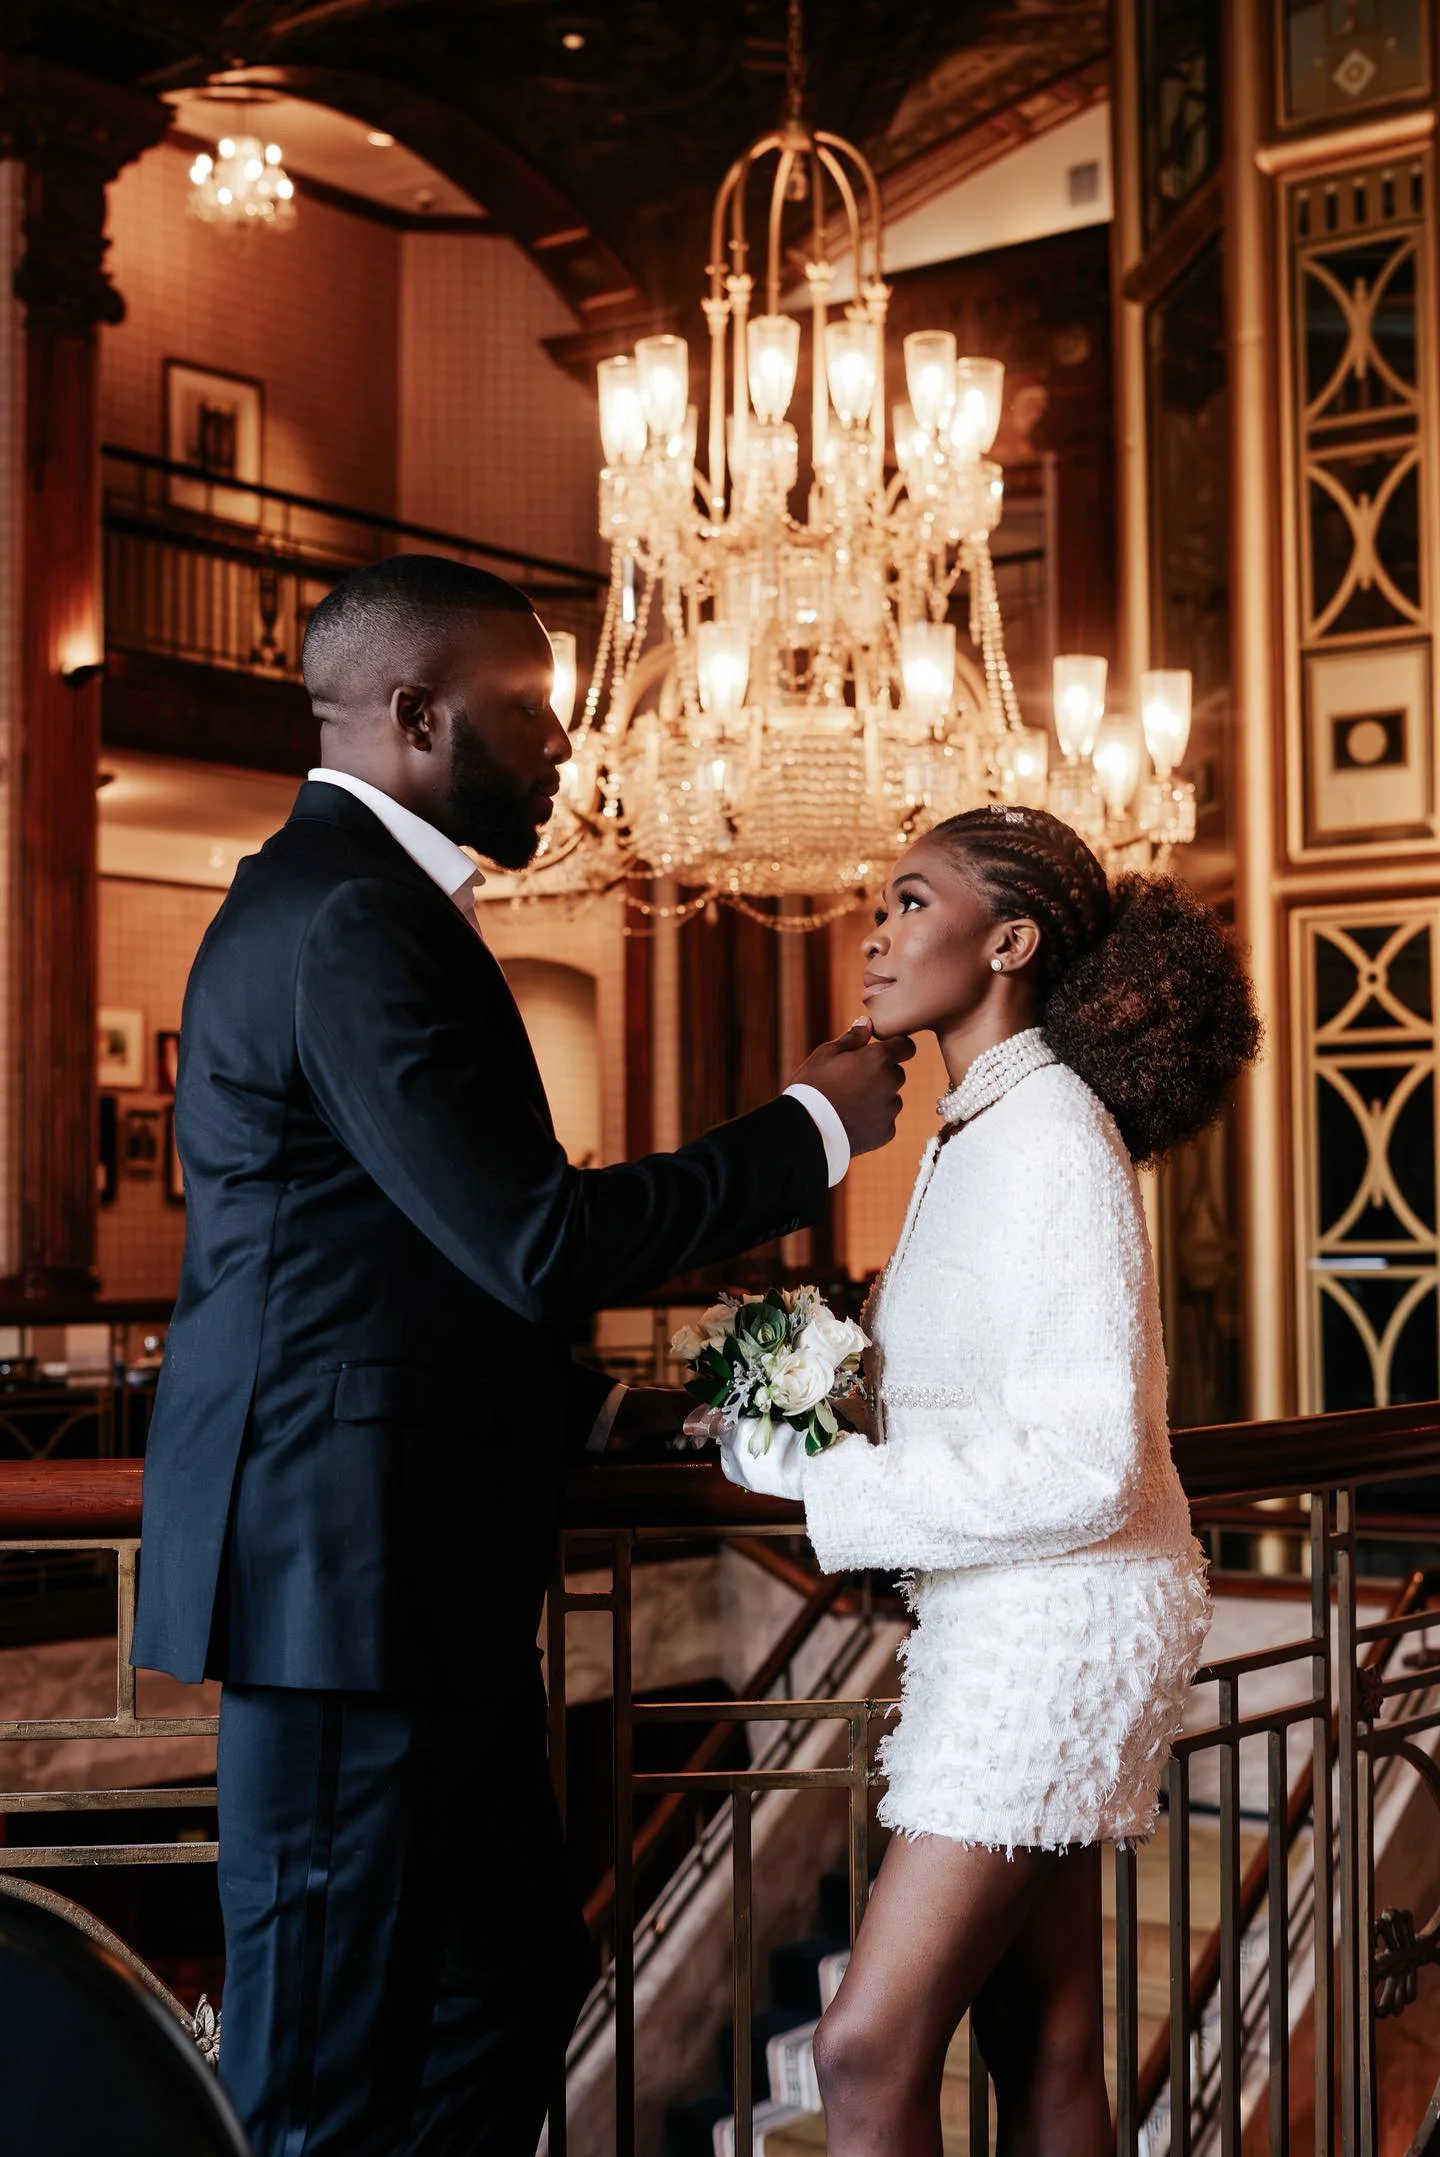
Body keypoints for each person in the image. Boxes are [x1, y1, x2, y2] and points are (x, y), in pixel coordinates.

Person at [130, 553, 913, 2157]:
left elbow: (394, 1259)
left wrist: (588, 1407)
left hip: (422, 1574)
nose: (566, 744)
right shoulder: (348, 913)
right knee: (320, 2088)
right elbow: (534, 1239)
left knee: (512, 1976)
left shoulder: (368, 901)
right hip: (343, 1582)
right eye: (532, 709)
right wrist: (812, 1127)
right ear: (418, 716)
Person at [720, 804, 1259, 2155]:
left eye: (911, 903)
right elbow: (975, 1392)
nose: (875, 935)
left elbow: (1088, 1463)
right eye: (880, 907)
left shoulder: (1053, 1136)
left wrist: (828, 1490)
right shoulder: (979, 1124)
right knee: (1045, 2037)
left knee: (862, 2051)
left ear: (1009, 942)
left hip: (1061, 1623)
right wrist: (787, 1413)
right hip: (1005, 1604)